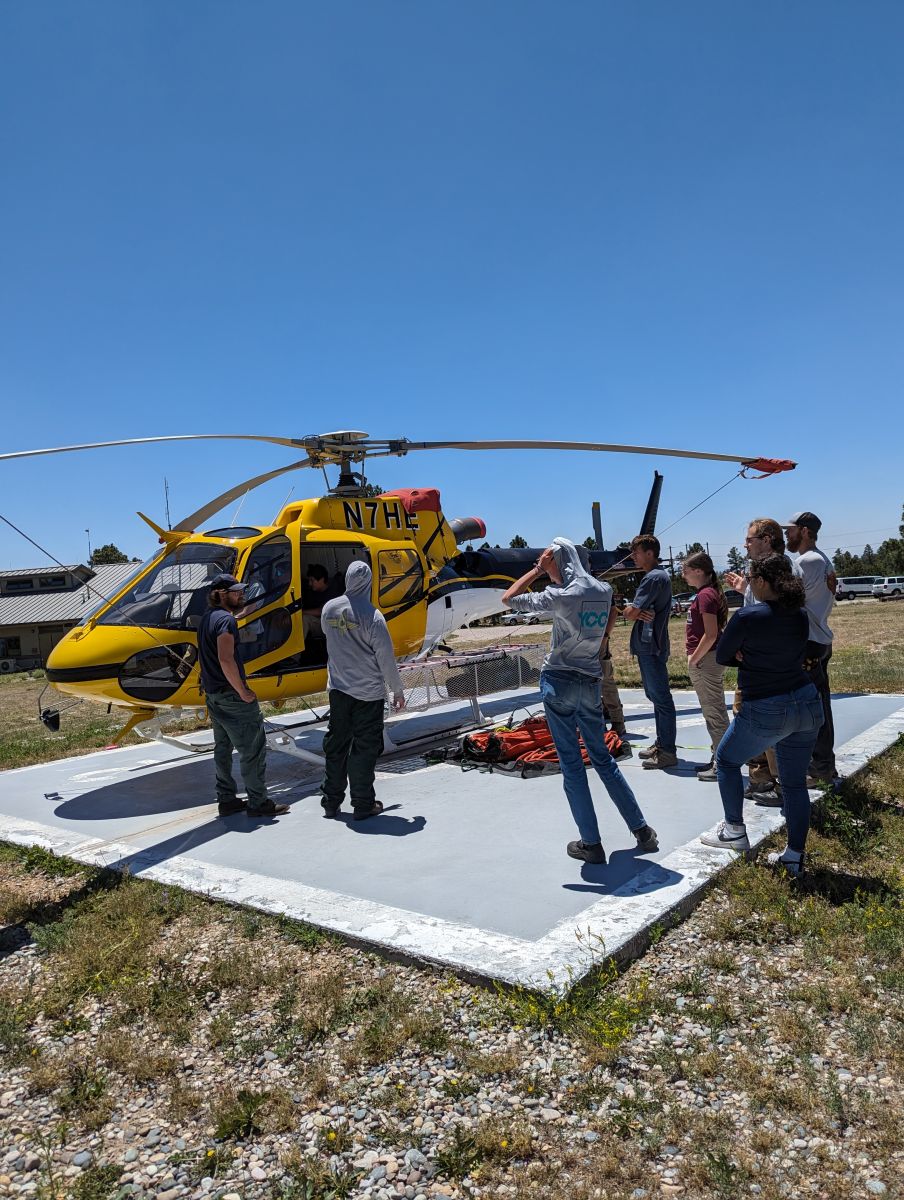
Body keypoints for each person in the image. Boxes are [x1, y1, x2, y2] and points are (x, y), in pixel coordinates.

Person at [502, 537, 657, 864]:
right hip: (590, 681)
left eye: (552, 564)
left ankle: (591, 843)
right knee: (602, 759)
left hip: (559, 680)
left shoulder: (561, 595)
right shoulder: (602, 590)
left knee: (572, 765)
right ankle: (642, 829)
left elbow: (509, 598)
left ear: (558, 561)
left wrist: (536, 570)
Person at [700, 554, 823, 878]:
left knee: (726, 760)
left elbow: (725, 655)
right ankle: (794, 856)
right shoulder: (798, 615)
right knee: (794, 783)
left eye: (752, 576)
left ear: (764, 581)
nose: (749, 580)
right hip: (806, 702)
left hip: (766, 706)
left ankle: (734, 831)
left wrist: (748, 656)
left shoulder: (748, 617)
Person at [197, 573, 289, 818]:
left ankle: (226, 799)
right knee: (252, 749)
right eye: (236, 592)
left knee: (223, 748)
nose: (241, 595)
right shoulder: (226, 622)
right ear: (220, 594)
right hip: (232, 696)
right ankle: (258, 803)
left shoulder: (208, 619)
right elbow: (226, 659)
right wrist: (243, 691)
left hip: (214, 695)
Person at [320, 561, 406, 820]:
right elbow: (386, 659)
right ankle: (362, 803)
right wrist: (397, 690)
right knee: (364, 749)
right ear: (369, 583)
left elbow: (329, 639)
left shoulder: (328, 609)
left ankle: (330, 801)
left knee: (336, 747)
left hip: (338, 691)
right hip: (367, 695)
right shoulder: (373, 616)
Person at [724, 517, 802, 803]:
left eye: (750, 539)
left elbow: (777, 613)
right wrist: (745, 589)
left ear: (767, 539)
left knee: (766, 722)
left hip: (765, 665)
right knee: (746, 717)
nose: (745, 544)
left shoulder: (783, 568)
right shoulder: (760, 571)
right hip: (755, 660)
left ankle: (779, 783)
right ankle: (761, 779)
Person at [783, 512, 837, 785]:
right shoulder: (822, 560)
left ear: (804, 531)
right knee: (820, 705)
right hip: (819, 638)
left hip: (809, 640)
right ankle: (825, 764)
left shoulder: (807, 562)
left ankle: (820, 767)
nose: (786, 535)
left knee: (813, 709)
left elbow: (788, 599)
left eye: (790, 530)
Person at [624, 535, 677, 770]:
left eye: (636, 552)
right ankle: (662, 743)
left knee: (661, 699)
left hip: (650, 647)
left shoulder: (653, 578)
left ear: (650, 553)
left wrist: (629, 610)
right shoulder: (659, 576)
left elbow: (633, 612)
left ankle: (667, 751)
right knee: (656, 698)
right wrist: (635, 610)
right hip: (651, 645)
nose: (633, 556)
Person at [681, 551, 730, 782]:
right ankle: (718, 757)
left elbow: (711, 634)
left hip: (706, 660)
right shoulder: (706, 594)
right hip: (706, 659)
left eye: (686, 571)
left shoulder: (706, 596)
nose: (683, 576)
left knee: (715, 713)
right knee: (713, 712)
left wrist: (694, 659)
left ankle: (723, 765)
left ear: (699, 571)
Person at [302, 564, 344, 640]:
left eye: (312, 580)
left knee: (304, 619)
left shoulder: (333, 591)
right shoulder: (310, 591)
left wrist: (301, 612)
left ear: (321, 579)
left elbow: (321, 611)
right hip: (317, 622)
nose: (310, 584)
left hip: (328, 625)